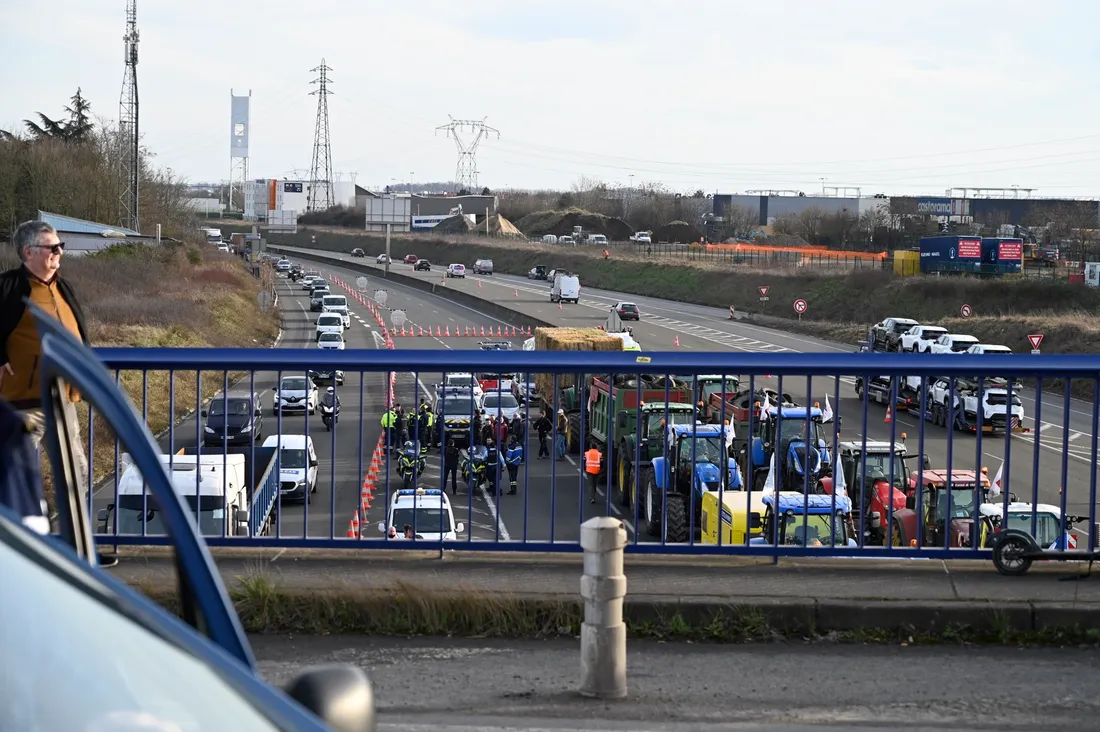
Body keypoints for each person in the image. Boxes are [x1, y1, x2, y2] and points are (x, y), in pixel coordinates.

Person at [0, 220, 91, 521]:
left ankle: (74, 550)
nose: (59, 253)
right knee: (16, 479)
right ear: (28, 252)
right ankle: (21, 552)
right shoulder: (8, 286)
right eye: (52, 248)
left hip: (62, 400)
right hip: (21, 404)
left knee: (76, 475)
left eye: (60, 246)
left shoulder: (63, 286)